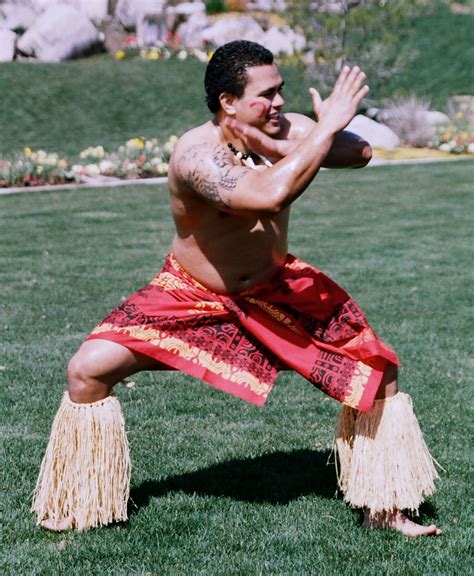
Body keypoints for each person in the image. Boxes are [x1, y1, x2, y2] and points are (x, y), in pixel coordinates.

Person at [32, 40, 441, 536]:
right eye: (265, 95)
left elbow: (361, 153)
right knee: (87, 370)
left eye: (280, 91)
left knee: (377, 368)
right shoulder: (196, 154)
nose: (278, 103)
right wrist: (323, 129)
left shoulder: (285, 129)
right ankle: (82, 500)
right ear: (228, 102)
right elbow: (266, 196)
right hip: (190, 295)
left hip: (275, 290)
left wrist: (314, 133)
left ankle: (385, 506)